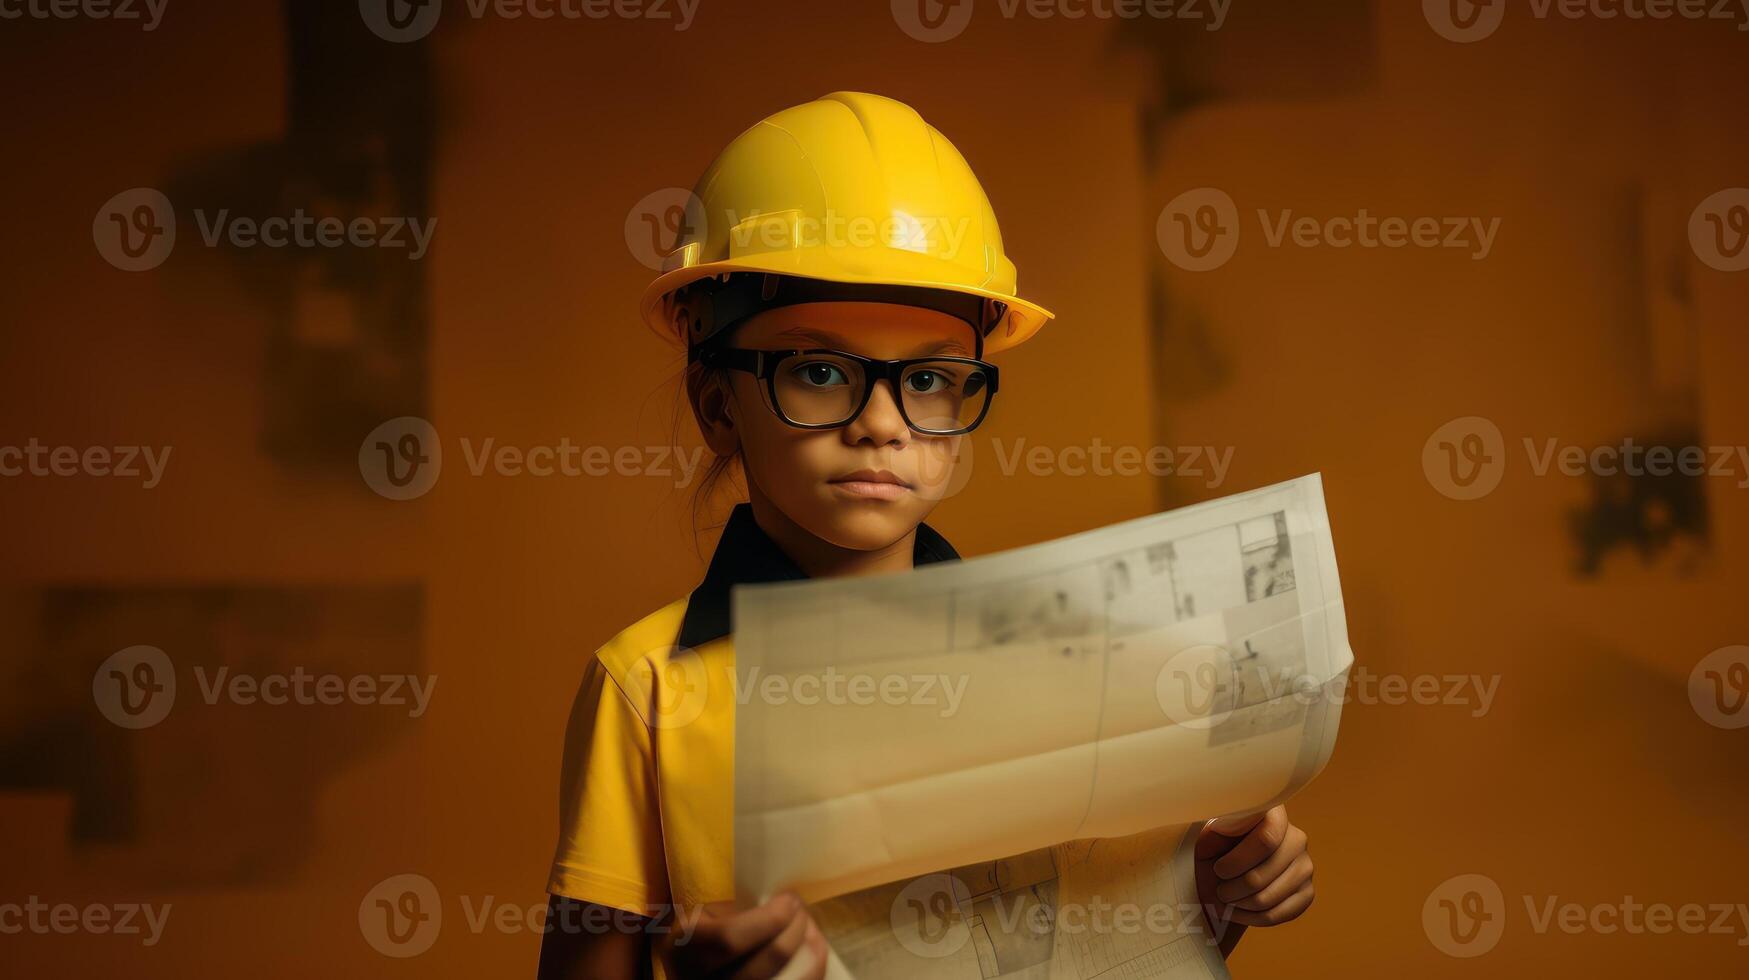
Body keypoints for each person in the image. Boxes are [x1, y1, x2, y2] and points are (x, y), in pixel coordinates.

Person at [537, 92, 1314, 980]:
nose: (882, 424)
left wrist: (1219, 896)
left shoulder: (1061, 662)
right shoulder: (646, 691)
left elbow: (1089, 944)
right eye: (820, 371)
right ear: (719, 406)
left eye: (933, 378)